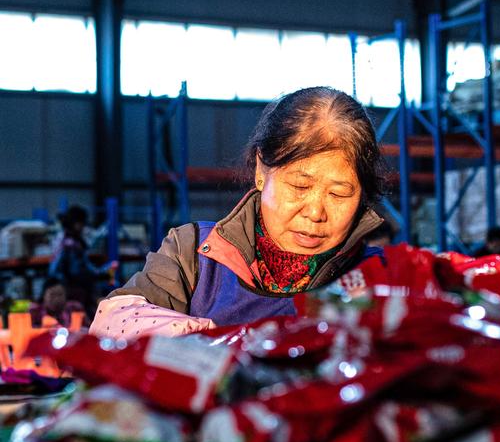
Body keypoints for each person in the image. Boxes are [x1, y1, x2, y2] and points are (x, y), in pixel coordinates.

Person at [90, 87, 386, 339]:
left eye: (338, 194)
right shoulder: (193, 254)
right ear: (261, 170)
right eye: (300, 186)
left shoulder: (383, 277)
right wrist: (208, 342)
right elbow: (112, 324)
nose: (315, 212)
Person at [49, 205, 115, 312]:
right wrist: (103, 273)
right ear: (77, 224)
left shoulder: (61, 237)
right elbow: (78, 271)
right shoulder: (71, 244)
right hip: (69, 287)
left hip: (60, 283)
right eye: (83, 224)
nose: (84, 228)